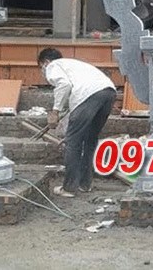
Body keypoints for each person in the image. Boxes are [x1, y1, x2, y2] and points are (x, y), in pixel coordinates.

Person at [38, 48, 116, 197]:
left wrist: (55, 111)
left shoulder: (53, 65)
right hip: (109, 92)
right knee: (90, 140)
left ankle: (69, 188)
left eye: (41, 66)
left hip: (89, 95)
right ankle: (85, 184)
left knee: (73, 143)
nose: (43, 70)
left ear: (46, 62)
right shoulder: (74, 65)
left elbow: (64, 85)